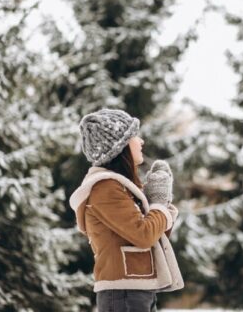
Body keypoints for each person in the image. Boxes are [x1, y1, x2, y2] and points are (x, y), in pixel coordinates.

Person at [69, 109, 183, 312]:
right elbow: (143, 235)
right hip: (123, 292)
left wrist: (159, 203)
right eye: (133, 136)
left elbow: (154, 238)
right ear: (119, 146)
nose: (141, 141)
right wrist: (156, 203)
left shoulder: (120, 187)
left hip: (135, 289)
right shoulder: (105, 188)